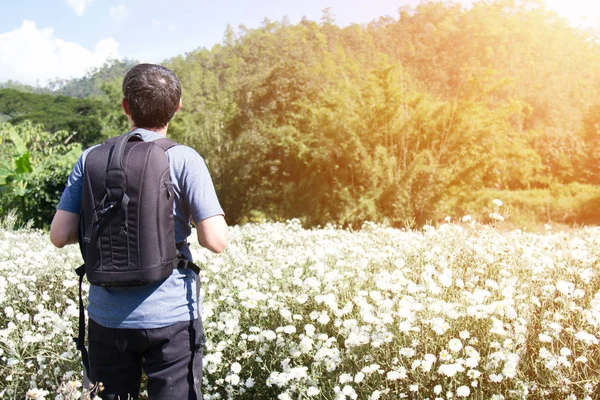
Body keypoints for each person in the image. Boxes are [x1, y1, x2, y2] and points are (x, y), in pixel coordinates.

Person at [49, 63, 229, 399]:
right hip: (171, 318)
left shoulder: (90, 158)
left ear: (125, 106)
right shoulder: (185, 158)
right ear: (177, 107)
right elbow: (215, 241)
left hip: (107, 319)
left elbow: (59, 235)